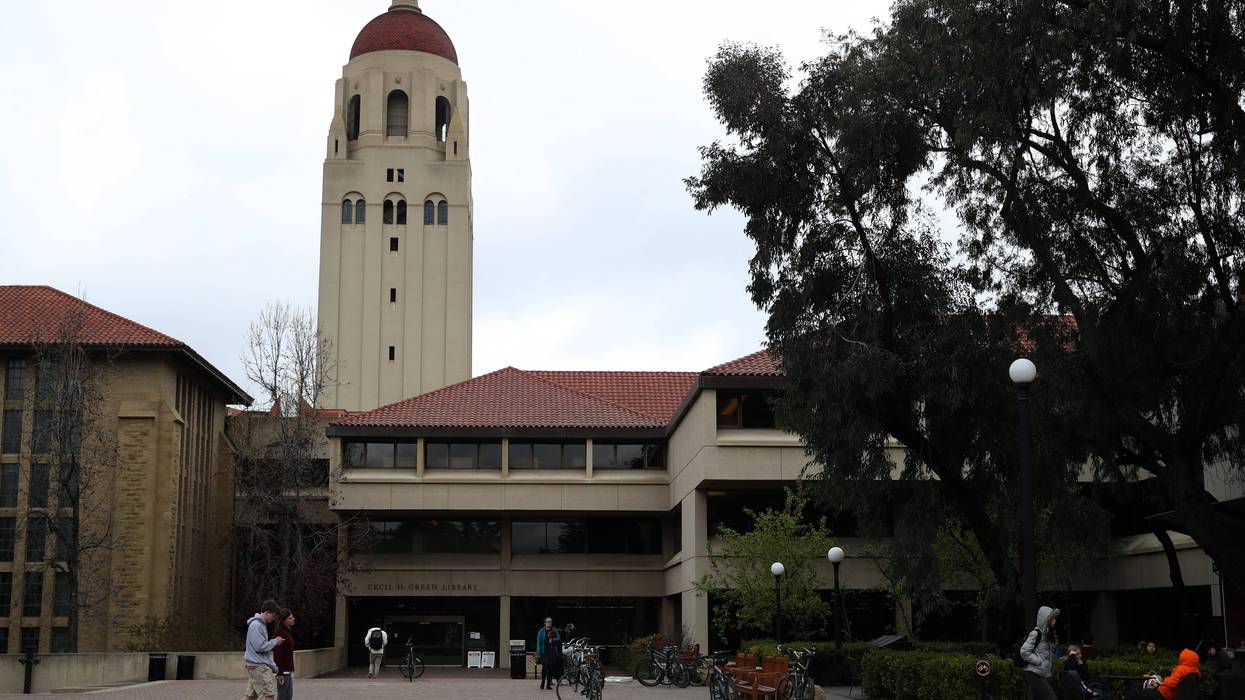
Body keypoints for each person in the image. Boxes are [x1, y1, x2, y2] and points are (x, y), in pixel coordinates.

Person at [242, 599, 285, 700]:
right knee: (268, 696)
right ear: (267, 612)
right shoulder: (257, 625)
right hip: (259, 667)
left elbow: (263, 650)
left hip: (255, 666)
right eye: (273, 616)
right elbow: (260, 647)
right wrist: (275, 641)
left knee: (250, 697)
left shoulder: (259, 625)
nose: (274, 619)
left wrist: (273, 666)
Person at [1125, 649, 1200, 700]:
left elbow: (1171, 683)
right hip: (1171, 695)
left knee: (1133, 694)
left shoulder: (1181, 669)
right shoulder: (1195, 671)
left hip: (1164, 694)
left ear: (1184, 658)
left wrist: (1163, 682)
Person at [1019, 605, 1060, 700]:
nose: (1055, 620)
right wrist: (1038, 661)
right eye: (1052, 618)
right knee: (1051, 697)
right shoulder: (1036, 633)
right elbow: (1024, 651)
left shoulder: (1046, 635)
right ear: (1046, 619)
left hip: (1039, 672)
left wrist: (1052, 647)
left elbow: (1043, 653)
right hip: (1034, 672)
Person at [273, 609, 295, 700]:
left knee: (288, 696)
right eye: (290, 618)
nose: (293, 619)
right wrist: (279, 672)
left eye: (292, 617)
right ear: (284, 621)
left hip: (287, 671)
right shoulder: (280, 633)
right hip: (283, 671)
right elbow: (278, 654)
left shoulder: (287, 632)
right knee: (282, 696)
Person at [535, 617, 562, 690]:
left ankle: (548, 684)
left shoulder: (554, 630)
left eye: (550, 621)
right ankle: (543, 682)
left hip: (552, 651)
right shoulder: (541, 631)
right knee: (544, 668)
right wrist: (538, 653)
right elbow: (538, 643)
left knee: (550, 669)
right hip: (545, 652)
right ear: (545, 623)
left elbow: (559, 639)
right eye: (547, 621)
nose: (549, 623)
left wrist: (552, 640)